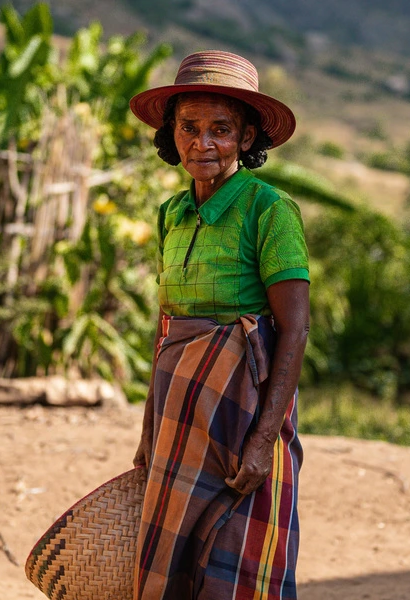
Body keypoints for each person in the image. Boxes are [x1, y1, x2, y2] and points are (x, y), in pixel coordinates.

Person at [129, 50, 310, 600]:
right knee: (171, 558)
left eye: (221, 129)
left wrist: (262, 441)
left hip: (243, 413)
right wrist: (149, 430)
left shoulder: (269, 210)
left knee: (236, 562)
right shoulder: (171, 213)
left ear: (248, 136)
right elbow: (168, 332)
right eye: (189, 127)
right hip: (179, 414)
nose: (202, 144)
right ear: (171, 132)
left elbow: (294, 331)